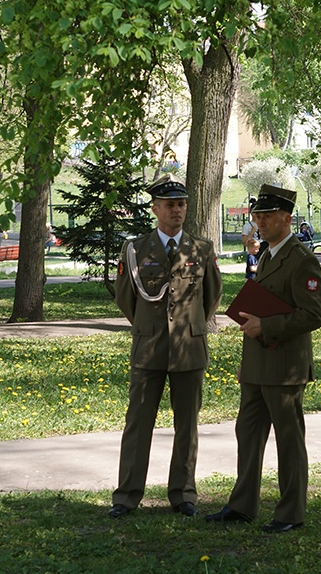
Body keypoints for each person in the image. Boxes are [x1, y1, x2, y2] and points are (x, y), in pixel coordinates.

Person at [206, 184, 321, 534]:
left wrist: (267, 326)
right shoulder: (268, 254)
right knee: (248, 433)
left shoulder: (300, 258)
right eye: (256, 215)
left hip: (285, 366)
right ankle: (243, 505)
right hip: (259, 365)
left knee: (289, 441)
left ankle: (290, 513)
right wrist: (250, 358)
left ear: (286, 218)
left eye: (267, 215)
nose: (259, 221)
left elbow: (313, 315)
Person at [108, 173, 222, 520]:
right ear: (155, 208)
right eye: (170, 204)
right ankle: (127, 496)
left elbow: (211, 297)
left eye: (182, 204)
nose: (178, 210)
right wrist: (149, 327)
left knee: (187, 425)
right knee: (138, 423)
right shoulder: (136, 250)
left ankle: (183, 493)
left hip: (188, 348)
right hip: (149, 348)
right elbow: (126, 298)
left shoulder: (201, 249)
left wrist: (189, 327)